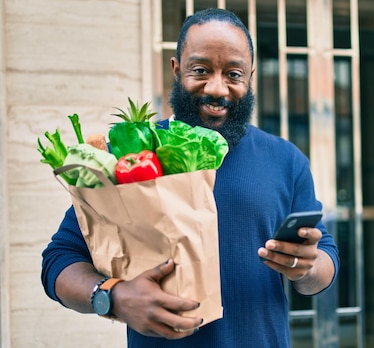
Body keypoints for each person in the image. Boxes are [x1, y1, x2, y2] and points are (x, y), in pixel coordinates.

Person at [41, 8, 339, 348]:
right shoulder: (132, 154)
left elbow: (324, 262)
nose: (217, 88)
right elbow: (59, 260)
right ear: (176, 69)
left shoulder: (286, 160)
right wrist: (114, 297)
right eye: (200, 70)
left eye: (234, 74)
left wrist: (307, 268)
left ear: (250, 76)